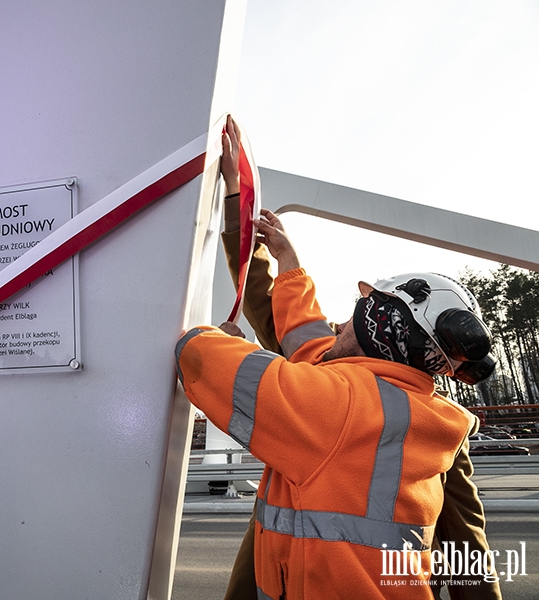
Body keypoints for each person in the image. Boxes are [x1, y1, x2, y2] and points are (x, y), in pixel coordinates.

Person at [173, 117, 499, 598]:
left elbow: (209, 357)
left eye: (354, 312)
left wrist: (222, 340)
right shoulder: (421, 414)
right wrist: (279, 252)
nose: (339, 320)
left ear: (377, 329)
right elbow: (466, 557)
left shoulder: (329, 401)